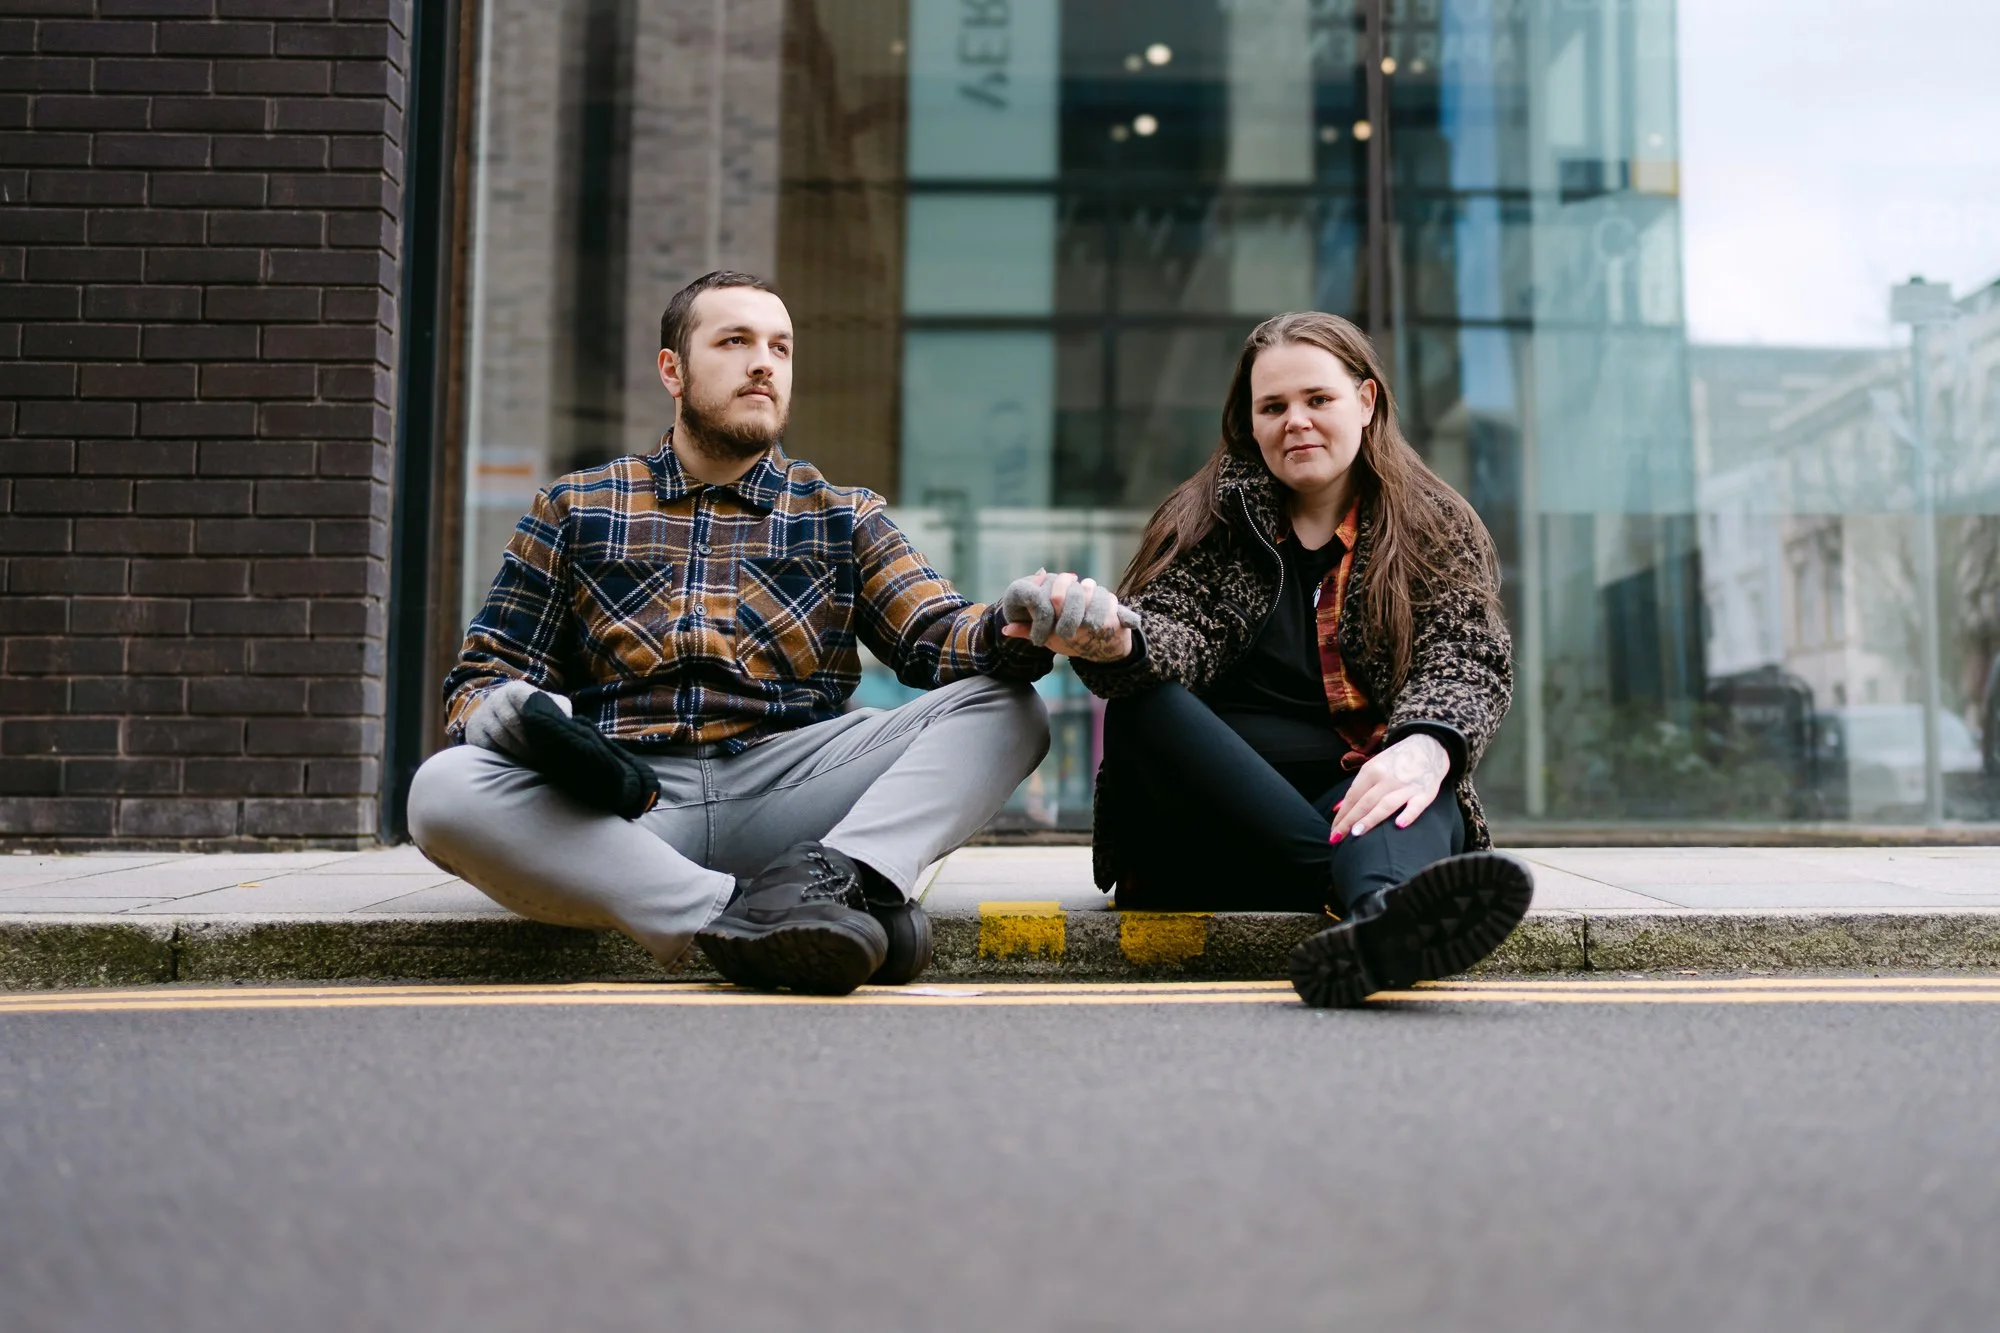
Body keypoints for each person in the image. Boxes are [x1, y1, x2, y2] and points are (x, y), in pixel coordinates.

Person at [407, 271, 1125, 996]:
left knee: (1008, 707)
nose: (763, 362)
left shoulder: (842, 513)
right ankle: (739, 917)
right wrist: (517, 715)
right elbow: (484, 674)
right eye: (735, 341)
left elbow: (935, 634)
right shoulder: (576, 505)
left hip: (794, 791)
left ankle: (845, 882)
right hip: (628, 805)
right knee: (441, 789)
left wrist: (1018, 618)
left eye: (780, 347)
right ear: (673, 371)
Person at [1064, 310, 1535, 1008]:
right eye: (1274, 406)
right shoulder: (1209, 518)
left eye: (1319, 399)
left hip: (1353, 794)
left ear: (1366, 402)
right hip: (1213, 824)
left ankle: (1374, 918)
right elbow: (1174, 635)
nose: (1297, 422)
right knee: (1141, 705)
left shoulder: (1433, 523)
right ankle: (1360, 896)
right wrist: (1118, 640)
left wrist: (1428, 747)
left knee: (1415, 785)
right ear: (1250, 422)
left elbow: (1466, 656)